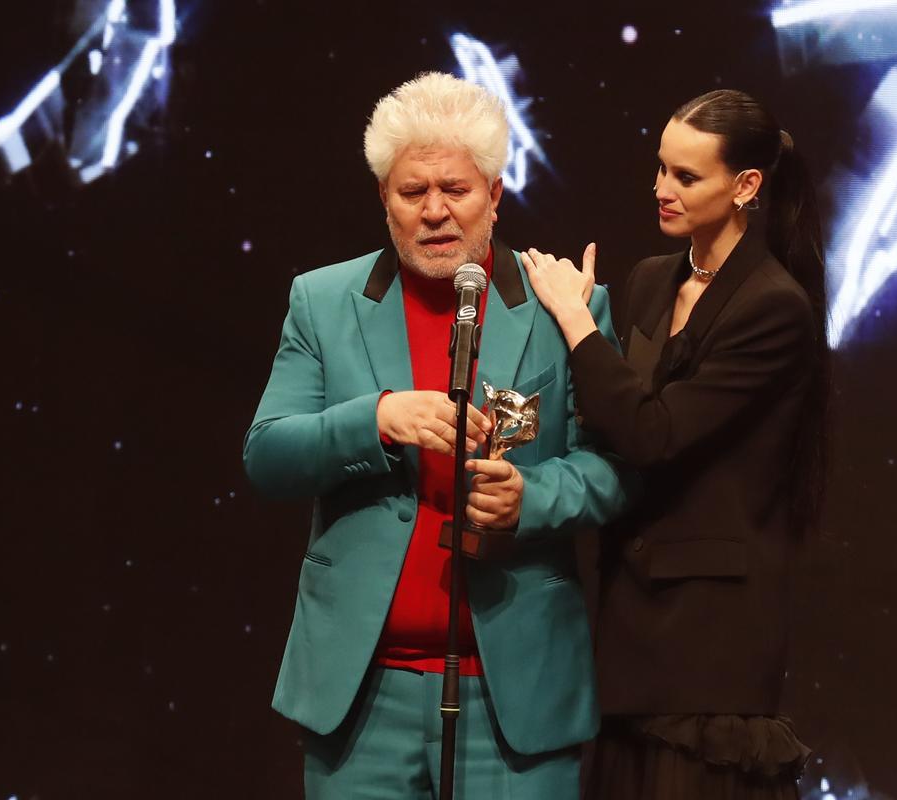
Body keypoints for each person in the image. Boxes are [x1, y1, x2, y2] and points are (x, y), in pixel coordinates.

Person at [243, 72, 628, 800]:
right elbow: (268, 454)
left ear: (495, 194)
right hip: (360, 700)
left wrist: (531, 498)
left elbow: (615, 469)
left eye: (455, 188)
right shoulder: (323, 302)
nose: (434, 211)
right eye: (411, 192)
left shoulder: (567, 305)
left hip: (515, 696)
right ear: (383, 200)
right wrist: (378, 418)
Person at [522, 88, 829, 799]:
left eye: (686, 177)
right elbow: (614, 419)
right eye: (661, 169)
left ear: (746, 186)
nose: (661, 190)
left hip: (707, 640)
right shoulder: (651, 281)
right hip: (628, 619)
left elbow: (652, 433)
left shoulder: (773, 307)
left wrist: (576, 321)